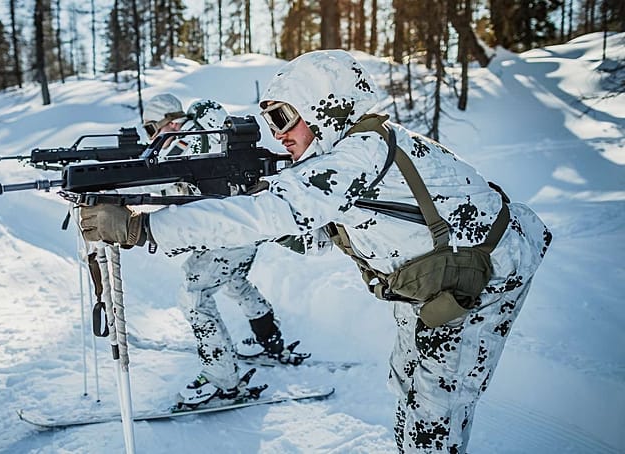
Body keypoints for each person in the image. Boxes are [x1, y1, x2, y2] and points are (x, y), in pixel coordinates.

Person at [78, 50, 551, 452]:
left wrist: (143, 228)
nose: (278, 133)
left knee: (435, 408)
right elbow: (325, 232)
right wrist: (276, 215)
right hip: (432, 278)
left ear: (325, 107)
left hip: (484, 278)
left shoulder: (358, 155)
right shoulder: (346, 155)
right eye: (271, 121)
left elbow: (270, 213)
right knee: (405, 379)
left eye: (284, 117)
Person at [141, 93, 309, 406]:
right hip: (246, 226)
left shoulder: (181, 141)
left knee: (194, 295)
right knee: (235, 283)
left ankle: (222, 381)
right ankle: (270, 342)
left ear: (170, 122)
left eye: (152, 128)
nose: (152, 137)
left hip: (225, 233)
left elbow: (153, 183)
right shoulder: (212, 132)